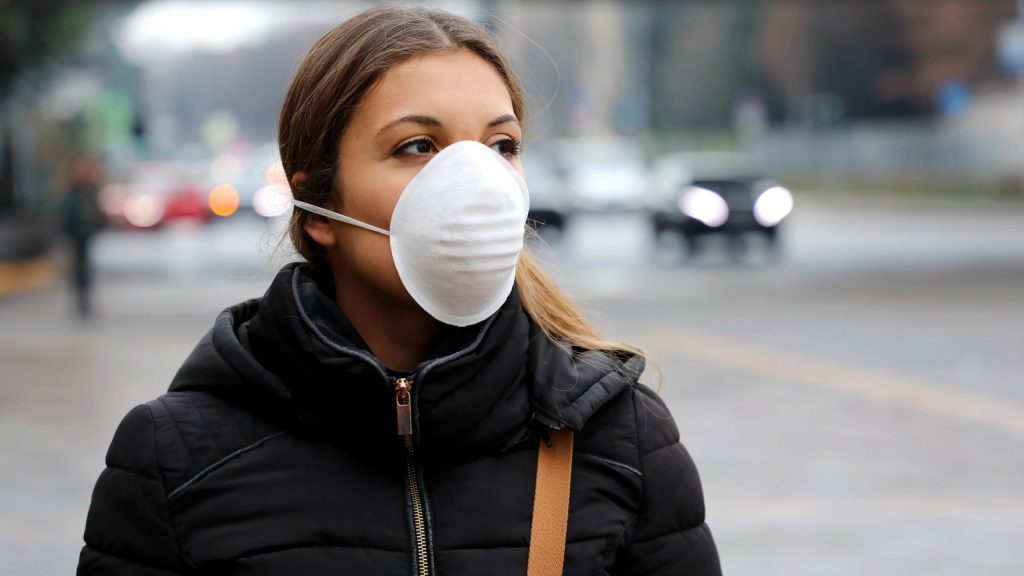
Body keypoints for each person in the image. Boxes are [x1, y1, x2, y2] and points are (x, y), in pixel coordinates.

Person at [77, 6, 721, 575]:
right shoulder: (175, 460)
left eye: (501, 145)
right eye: (418, 146)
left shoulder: (622, 439)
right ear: (320, 205)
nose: (476, 182)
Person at [60, 155, 106, 318]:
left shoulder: (90, 191)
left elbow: (98, 213)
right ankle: (81, 298)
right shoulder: (73, 192)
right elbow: (66, 213)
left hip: (86, 235)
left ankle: (85, 298)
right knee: (78, 267)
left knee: (85, 267)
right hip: (75, 235)